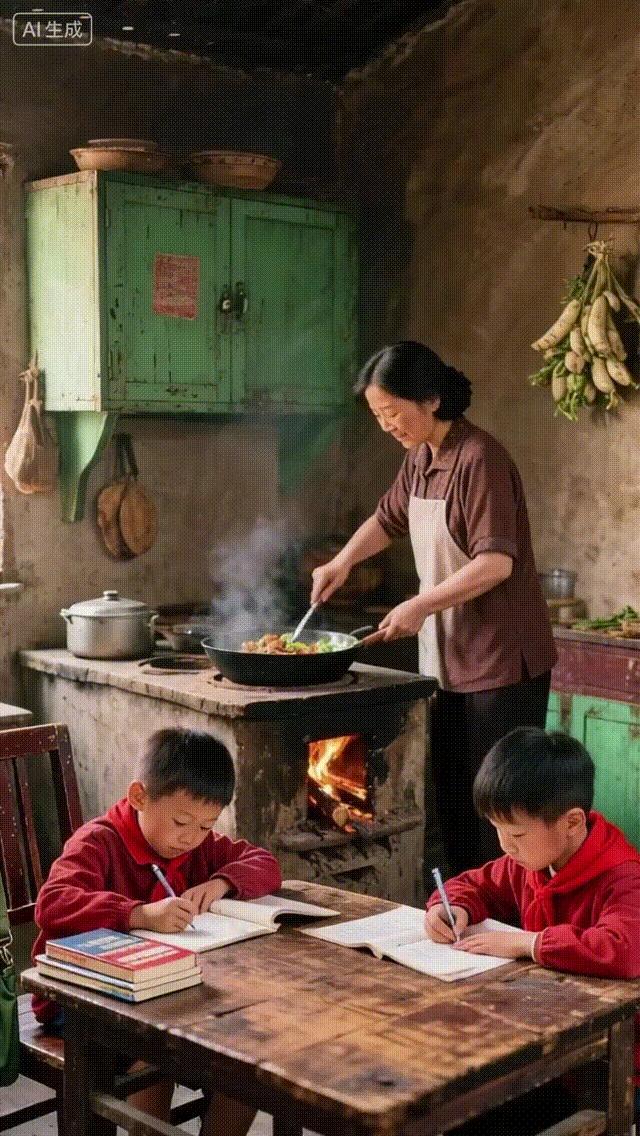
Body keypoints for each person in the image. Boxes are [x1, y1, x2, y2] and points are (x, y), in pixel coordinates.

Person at [311, 341, 557, 871]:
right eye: (378, 416)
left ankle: (508, 923)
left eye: (393, 412)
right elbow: (386, 520)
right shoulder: (421, 458)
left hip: (499, 661)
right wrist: (342, 562)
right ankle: (469, 911)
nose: (387, 425)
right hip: (448, 656)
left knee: (499, 810)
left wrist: (419, 604)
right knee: (453, 803)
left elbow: (497, 563)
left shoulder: (480, 459)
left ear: (430, 399)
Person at [32, 727, 282, 1136]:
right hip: (83, 1001)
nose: (191, 838)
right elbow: (53, 903)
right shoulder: (98, 842)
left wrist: (222, 882)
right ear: (139, 796)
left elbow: (265, 862)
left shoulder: (197, 844)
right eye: (181, 822)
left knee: (250, 1057)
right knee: (156, 1056)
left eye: (206, 826)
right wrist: (139, 914)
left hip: (167, 993)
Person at [425, 728, 640, 1130]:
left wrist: (527, 943)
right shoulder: (533, 861)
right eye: (497, 829)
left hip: (613, 1067)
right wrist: (450, 907)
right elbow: (474, 884)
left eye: (517, 833)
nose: (505, 845)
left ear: (572, 822)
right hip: (550, 1047)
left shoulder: (623, 877)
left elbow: (625, 949)